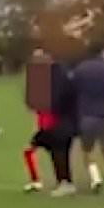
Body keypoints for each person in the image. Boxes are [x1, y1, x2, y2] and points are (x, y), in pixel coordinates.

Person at [23, 51, 79, 197]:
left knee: (59, 151)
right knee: (51, 150)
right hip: (51, 123)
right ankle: (60, 181)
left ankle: (65, 182)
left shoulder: (57, 78)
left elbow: (56, 100)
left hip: (60, 122)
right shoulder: (50, 77)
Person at [73, 45, 104, 197]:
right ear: (102, 54)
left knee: (86, 151)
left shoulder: (80, 70)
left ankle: (96, 178)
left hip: (87, 116)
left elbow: (72, 91)